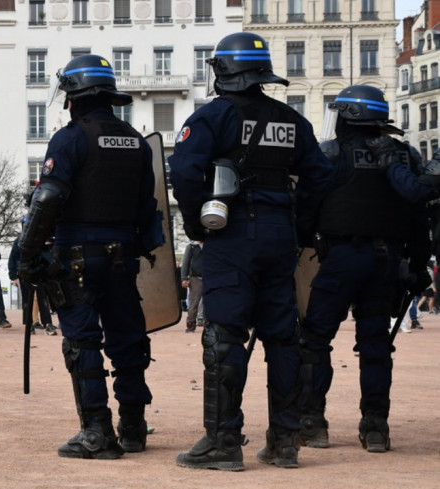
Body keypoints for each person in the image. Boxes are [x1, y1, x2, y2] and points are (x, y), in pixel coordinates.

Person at [168, 32, 334, 470]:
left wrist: (196, 223)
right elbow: (320, 176)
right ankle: (285, 442)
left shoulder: (212, 117)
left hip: (232, 233)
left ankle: (223, 443)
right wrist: (301, 227)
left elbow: (183, 172)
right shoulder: (292, 120)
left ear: (223, 70)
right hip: (281, 236)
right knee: (283, 338)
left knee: (224, 335)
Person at [18, 53, 161, 459]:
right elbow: (147, 207)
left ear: (74, 97)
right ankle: (133, 427)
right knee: (128, 341)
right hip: (123, 257)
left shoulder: (70, 138)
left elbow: (48, 198)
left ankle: (96, 432)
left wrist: (28, 254)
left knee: (83, 342)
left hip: (77, 256)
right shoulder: (135, 141)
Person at [297, 85, 430, 454]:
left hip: (341, 257)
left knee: (314, 339)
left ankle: (312, 423)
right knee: (376, 346)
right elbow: (419, 216)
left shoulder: (331, 153)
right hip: (386, 261)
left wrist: (303, 242)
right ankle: (375, 428)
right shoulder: (404, 155)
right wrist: (418, 265)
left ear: (348, 116)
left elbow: (307, 206)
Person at [8, 234, 57, 336]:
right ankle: (29, 325)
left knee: (43, 298)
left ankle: (48, 324)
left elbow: (46, 254)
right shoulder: (19, 240)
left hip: (39, 271)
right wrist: (13, 276)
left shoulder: (40, 239)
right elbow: (12, 258)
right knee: (26, 300)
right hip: (24, 272)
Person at [180, 241, 204, 333]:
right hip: (195, 278)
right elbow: (185, 263)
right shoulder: (191, 247)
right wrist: (184, 278)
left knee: (211, 302)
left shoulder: (211, 244)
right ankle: (191, 324)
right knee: (194, 302)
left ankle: (209, 324)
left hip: (209, 277)